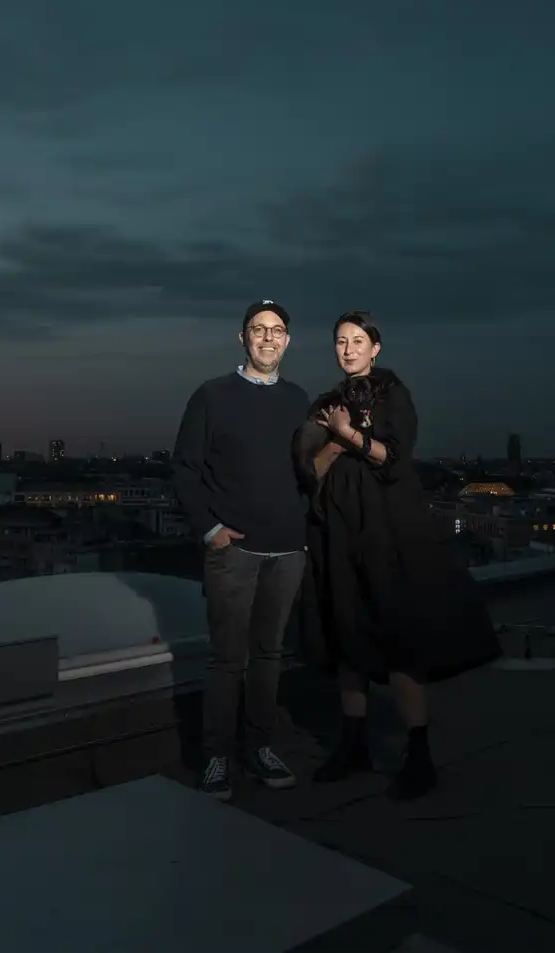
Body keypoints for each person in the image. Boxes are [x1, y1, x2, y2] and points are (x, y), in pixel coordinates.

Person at [294, 311, 501, 800]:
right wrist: (337, 445)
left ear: (376, 347)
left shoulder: (393, 393)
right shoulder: (326, 402)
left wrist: (345, 437)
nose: (347, 349)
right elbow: (309, 469)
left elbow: (394, 458)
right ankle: (353, 745)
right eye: (340, 341)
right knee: (347, 637)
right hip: (339, 535)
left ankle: (418, 754)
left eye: (357, 341)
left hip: (388, 535)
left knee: (400, 638)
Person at [171, 299, 312, 801]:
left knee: (270, 654)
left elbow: (312, 473)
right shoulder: (211, 396)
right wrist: (210, 530)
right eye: (259, 330)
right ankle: (215, 757)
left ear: (288, 342)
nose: (268, 338)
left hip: (288, 551)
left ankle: (261, 746)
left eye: (277, 331)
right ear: (243, 338)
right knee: (228, 659)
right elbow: (184, 469)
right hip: (233, 552)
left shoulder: (300, 400)